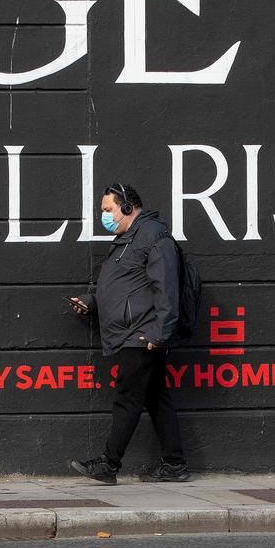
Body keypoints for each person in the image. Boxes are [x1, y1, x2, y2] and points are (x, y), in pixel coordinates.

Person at [67, 183, 190, 484]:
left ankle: (109, 465)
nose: (104, 217)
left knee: (127, 398)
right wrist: (92, 302)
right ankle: (174, 465)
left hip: (142, 334)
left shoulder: (153, 237)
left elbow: (166, 289)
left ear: (127, 207)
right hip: (136, 332)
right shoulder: (127, 240)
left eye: (107, 210)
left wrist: (158, 332)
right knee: (156, 398)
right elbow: (125, 286)